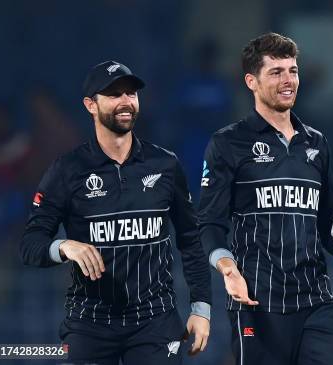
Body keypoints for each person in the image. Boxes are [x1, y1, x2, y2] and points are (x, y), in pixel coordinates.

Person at [20, 60, 211, 364]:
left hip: (155, 319)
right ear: (90, 105)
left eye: (131, 93)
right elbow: (30, 244)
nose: (125, 101)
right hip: (90, 321)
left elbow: (191, 239)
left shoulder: (165, 165)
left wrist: (201, 308)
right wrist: (64, 246)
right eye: (113, 94)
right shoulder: (67, 170)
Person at [197, 32, 333, 365]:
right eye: (276, 72)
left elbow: (327, 222)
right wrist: (228, 270)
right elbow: (209, 223)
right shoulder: (228, 143)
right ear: (251, 82)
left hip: (316, 301)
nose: (288, 81)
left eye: (293, 71)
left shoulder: (317, 144)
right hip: (257, 303)